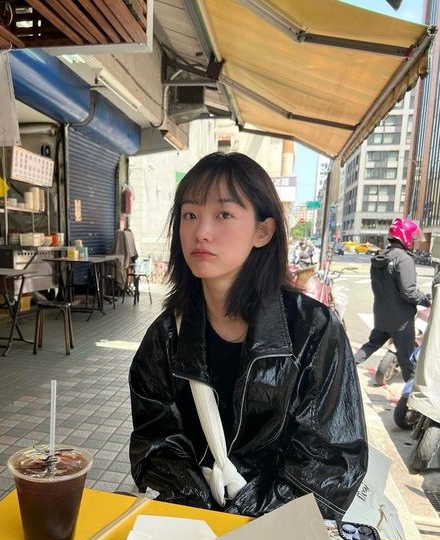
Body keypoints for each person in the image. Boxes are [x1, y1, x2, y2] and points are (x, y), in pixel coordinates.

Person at [129, 152, 368, 520]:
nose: (201, 231)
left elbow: (332, 463)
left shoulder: (314, 331)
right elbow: (154, 442)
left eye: (224, 214)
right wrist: (205, 509)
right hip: (192, 523)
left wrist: (242, 513)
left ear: (263, 232)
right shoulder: (165, 336)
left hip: (280, 529)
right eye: (190, 215)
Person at [354, 218, 431, 382]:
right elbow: (409, 292)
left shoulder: (379, 258)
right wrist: (427, 301)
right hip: (401, 321)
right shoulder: (404, 259)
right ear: (405, 236)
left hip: (381, 315)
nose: (414, 241)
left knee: (371, 345)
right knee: (407, 362)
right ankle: (409, 396)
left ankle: (344, 366)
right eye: (412, 237)